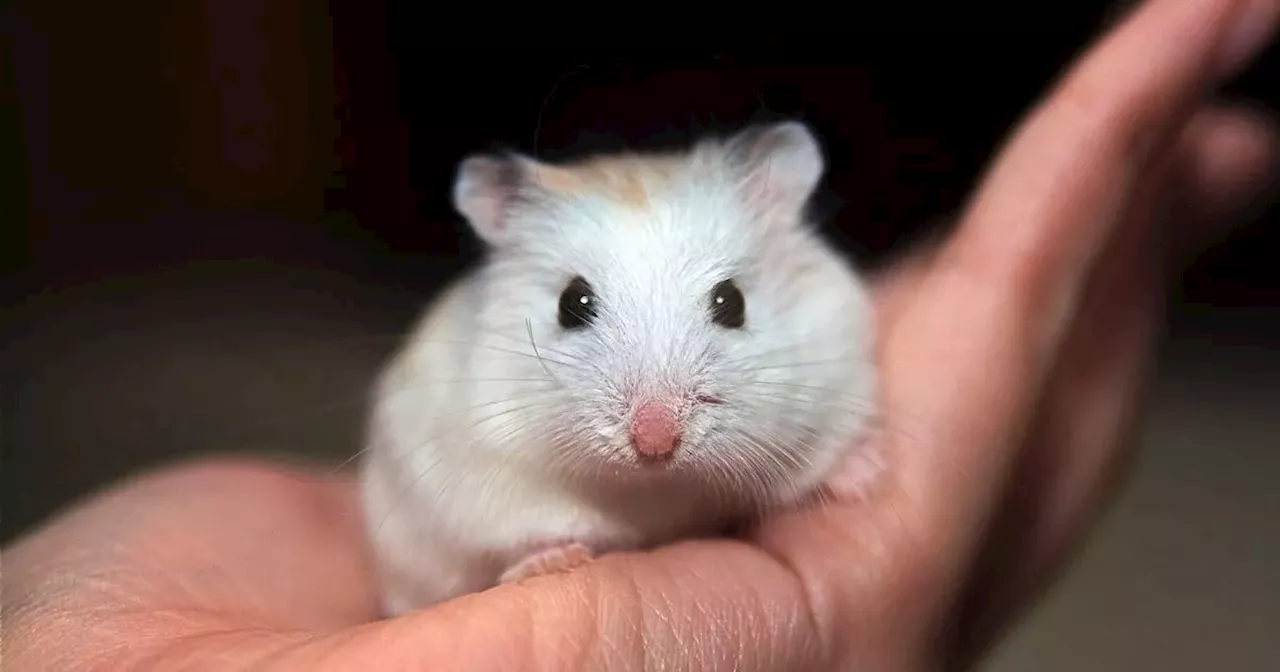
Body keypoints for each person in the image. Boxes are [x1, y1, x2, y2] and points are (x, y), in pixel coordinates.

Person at [5, 1, 1278, 669]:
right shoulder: (465, 381)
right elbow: (447, 465)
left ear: (773, 239)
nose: (657, 421)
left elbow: (831, 360)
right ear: (506, 249)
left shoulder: (818, 301)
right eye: (577, 310)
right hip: (462, 550)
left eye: (722, 308)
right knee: (426, 474)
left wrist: (825, 455)